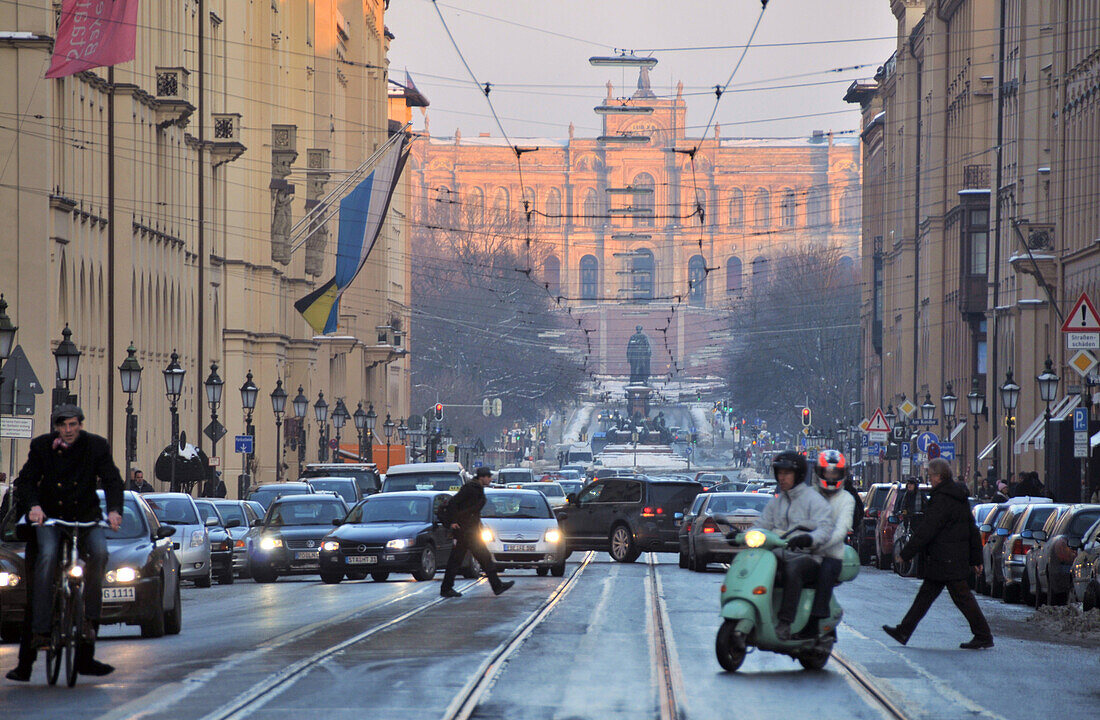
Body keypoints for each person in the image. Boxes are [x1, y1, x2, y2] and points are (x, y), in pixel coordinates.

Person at [6, 404, 123, 681]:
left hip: (85, 518)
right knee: (45, 559)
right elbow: (26, 482)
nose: (68, 430)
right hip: (51, 518)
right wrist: (34, 507)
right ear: (56, 427)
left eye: (72, 425)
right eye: (62, 426)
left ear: (80, 424)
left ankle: (90, 621)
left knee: (100, 551)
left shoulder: (96, 446)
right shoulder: (42, 447)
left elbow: (112, 480)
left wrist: (115, 510)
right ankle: (41, 633)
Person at [883, 458, 993, 650]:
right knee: (928, 597)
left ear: (940, 477)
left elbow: (928, 528)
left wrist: (906, 553)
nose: (930, 479)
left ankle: (983, 635)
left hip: (945, 557)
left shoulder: (942, 499)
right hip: (949, 557)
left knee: (961, 597)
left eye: (931, 475)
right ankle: (904, 631)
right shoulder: (956, 497)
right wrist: (976, 558)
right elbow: (972, 528)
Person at [754, 450, 834, 641]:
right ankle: (760, 613)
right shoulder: (777, 502)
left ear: (798, 475)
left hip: (808, 557)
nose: (782, 478)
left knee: (793, 570)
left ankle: (785, 622)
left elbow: (825, 528)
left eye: (787, 473)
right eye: (779, 473)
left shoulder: (814, 500)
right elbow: (761, 525)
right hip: (779, 553)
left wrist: (809, 539)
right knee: (756, 566)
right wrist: (742, 535)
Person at [796, 449, 856, 640]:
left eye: (835, 473)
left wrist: (818, 542)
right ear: (819, 473)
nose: (831, 477)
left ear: (842, 474)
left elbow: (842, 529)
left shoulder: (846, 499)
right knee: (786, 569)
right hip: (804, 552)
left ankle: (814, 622)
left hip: (831, 555)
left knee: (824, 573)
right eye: (827, 473)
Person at [439, 466, 514, 598]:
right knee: (475, 559)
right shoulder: (470, 489)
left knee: (475, 559)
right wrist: (452, 521)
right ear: (482, 478)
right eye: (488, 477)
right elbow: (454, 503)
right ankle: (447, 588)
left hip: (470, 530)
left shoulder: (476, 488)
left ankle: (496, 586)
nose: (490, 479)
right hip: (465, 531)